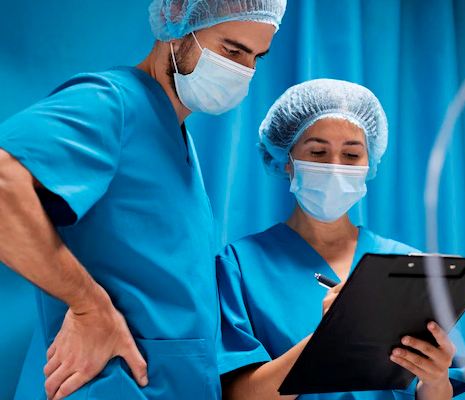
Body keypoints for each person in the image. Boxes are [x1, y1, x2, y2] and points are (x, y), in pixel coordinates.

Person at [0, 1, 286, 399]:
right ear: (176, 17)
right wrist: (88, 305)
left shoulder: (175, 138)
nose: (244, 71)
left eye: (256, 57)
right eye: (233, 50)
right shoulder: (113, 102)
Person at [216, 79, 465, 399]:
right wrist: (326, 338)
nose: (335, 167)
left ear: (369, 164)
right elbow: (239, 396)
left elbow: (435, 390)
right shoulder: (240, 266)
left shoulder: (409, 265)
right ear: (286, 160)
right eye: (318, 152)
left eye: (351, 154)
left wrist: (435, 381)